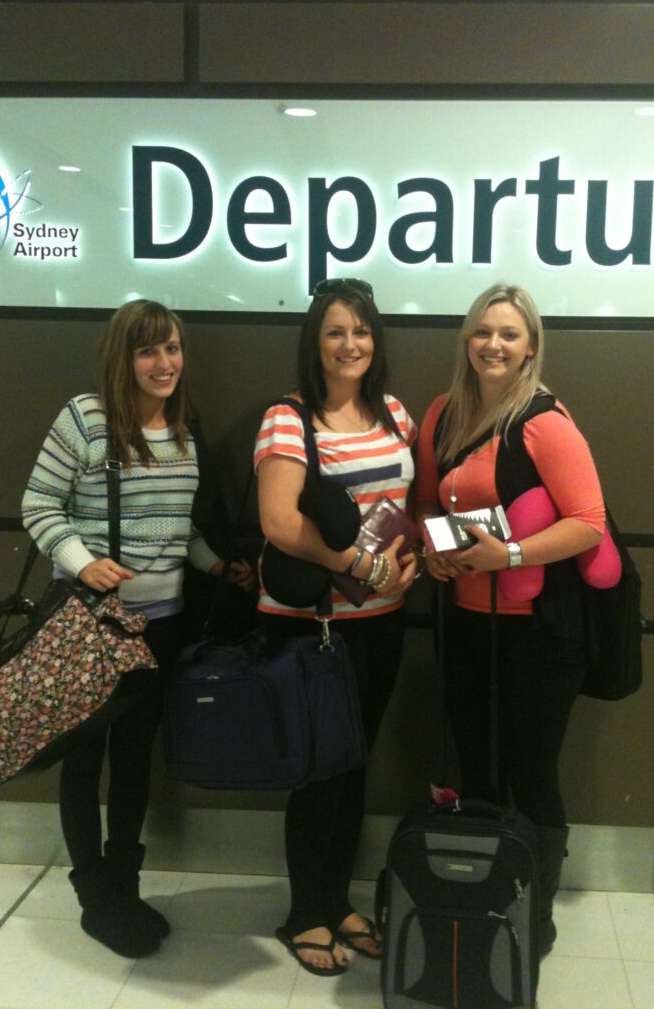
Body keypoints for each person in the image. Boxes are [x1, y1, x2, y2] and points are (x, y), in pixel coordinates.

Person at [21, 299, 253, 958]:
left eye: (172, 348)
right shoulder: (85, 418)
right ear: (122, 358)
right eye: (147, 350)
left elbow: (180, 532)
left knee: (132, 760)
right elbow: (38, 503)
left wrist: (216, 566)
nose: (163, 362)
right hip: (92, 625)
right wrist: (83, 562)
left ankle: (123, 883)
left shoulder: (183, 430)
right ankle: (92, 891)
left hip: (160, 628)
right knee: (83, 758)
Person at [416, 283, 608, 958]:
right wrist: (434, 550)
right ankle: (484, 905)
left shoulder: (543, 421)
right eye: (482, 331)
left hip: (539, 636)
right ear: (466, 340)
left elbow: (589, 523)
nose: (493, 345)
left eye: (508, 334)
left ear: (530, 347)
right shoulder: (442, 413)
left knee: (532, 775)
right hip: (466, 628)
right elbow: (425, 504)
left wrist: (512, 555)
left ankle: (536, 918)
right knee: (476, 771)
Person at [255, 278, 418, 976]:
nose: (350, 344)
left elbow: (411, 500)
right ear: (314, 341)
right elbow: (279, 523)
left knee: (355, 766)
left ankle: (337, 900)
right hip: (314, 629)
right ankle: (304, 914)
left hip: (383, 622)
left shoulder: (396, 414)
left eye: (361, 330)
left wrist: (406, 567)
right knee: (319, 771)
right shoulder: (288, 418)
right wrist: (362, 565)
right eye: (335, 331)